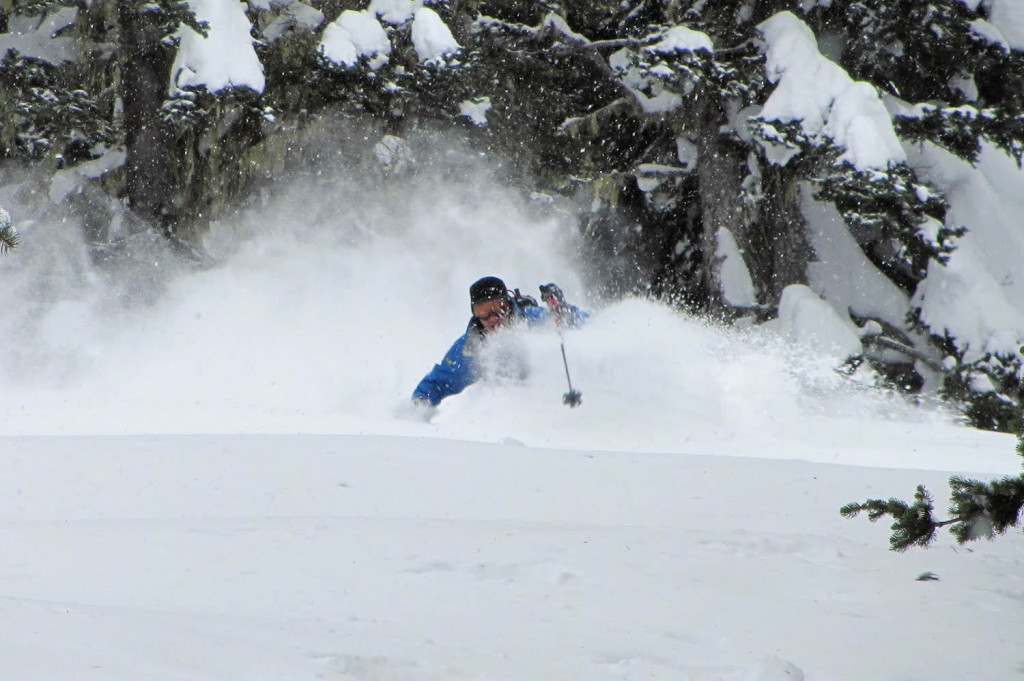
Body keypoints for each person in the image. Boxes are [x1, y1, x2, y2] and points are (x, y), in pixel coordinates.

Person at [411, 276, 585, 408]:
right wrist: (420, 406)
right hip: (504, 417)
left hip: (547, 404)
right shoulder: (470, 347)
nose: (493, 318)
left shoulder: (530, 320)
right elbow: (438, 383)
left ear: (508, 304)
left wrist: (564, 312)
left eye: (498, 308)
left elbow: (584, 323)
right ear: (475, 314)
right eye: (483, 312)